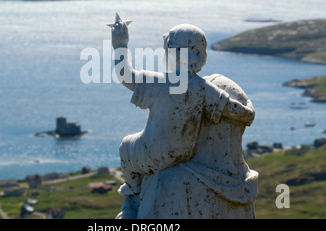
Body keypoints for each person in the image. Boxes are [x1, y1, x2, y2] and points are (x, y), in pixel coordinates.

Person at [108, 13, 255, 218]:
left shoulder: (159, 83)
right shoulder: (204, 88)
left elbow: (125, 74)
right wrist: (248, 112)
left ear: (170, 51)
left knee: (125, 147)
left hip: (155, 152)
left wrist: (120, 45)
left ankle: (132, 192)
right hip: (182, 153)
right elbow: (232, 108)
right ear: (202, 57)